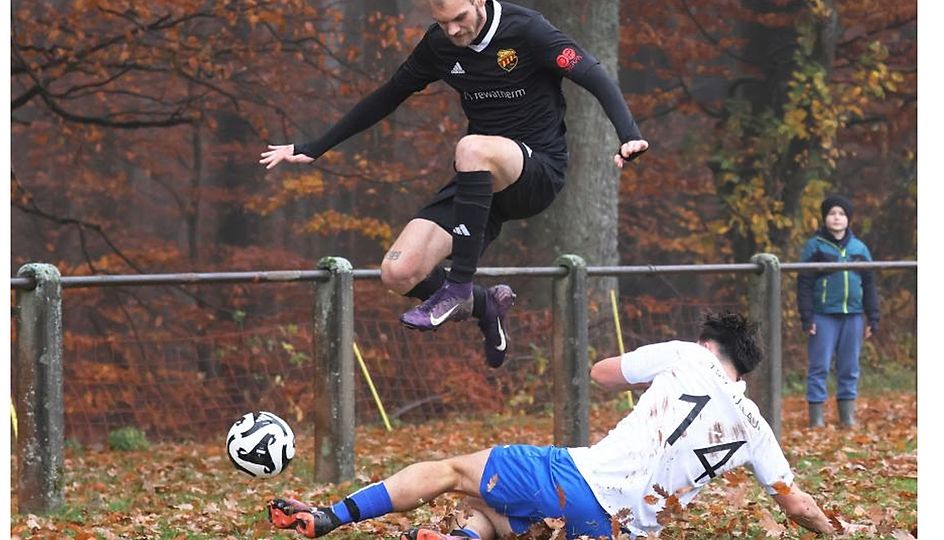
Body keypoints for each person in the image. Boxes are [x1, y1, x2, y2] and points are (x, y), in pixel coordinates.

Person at [259, 0, 649, 368]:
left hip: (537, 170)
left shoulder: (528, 30)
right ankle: (485, 305)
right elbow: (388, 96)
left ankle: (459, 286)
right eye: (443, 21)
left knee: (470, 148)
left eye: (459, 17)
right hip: (479, 181)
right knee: (398, 273)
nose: (452, 29)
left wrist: (628, 134)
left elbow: (594, 74)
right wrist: (316, 146)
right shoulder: (439, 45)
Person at [266, 311, 835, 539]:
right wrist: (837, 531)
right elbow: (797, 504)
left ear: (710, 344)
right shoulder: (758, 428)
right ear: (747, 369)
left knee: (453, 473)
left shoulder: (688, 354)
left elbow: (603, 373)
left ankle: (329, 517)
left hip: (578, 477)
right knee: (498, 514)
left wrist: (641, 374)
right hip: (619, 528)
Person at [797, 194, 880, 428]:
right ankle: (817, 419)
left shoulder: (859, 248)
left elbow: (870, 284)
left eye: (841, 214)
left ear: (848, 219)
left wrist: (872, 317)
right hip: (823, 316)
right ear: (825, 218)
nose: (837, 218)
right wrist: (807, 316)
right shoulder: (815, 246)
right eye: (832, 213)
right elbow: (804, 283)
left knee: (849, 367)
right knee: (819, 366)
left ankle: (847, 417)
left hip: (853, 316)